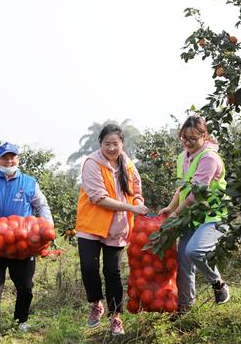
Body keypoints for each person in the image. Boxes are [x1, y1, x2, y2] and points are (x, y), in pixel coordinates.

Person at [0, 142, 54, 342]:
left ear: (18, 159)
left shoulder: (29, 182)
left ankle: (21, 320)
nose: (9, 161)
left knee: (25, 286)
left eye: (12, 157)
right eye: (5, 158)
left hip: (22, 245)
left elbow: (41, 205)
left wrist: (48, 225)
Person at [75, 123, 149, 336]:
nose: (111, 148)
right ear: (100, 144)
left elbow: (136, 189)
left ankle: (116, 317)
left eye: (115, 144)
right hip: (91, 225)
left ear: (122, 144)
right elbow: (98, 198)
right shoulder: (92, 163)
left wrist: (137, 201)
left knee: (112, 272)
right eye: (107, 143)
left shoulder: (128, 165)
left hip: (117, 228)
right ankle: (96, 303)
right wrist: (130, 207)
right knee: (89, 267)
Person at [159, 115, 230, 314]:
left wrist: (176, 214)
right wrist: (170, 208)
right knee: (183, 262)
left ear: (204, 136)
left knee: (194, 252)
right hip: (191, 217)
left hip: (214, 215)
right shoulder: (183, 156)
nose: (188, 142)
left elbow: (195, 194)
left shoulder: (209, 157)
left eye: (193, 139)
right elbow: (181, 189)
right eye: (184, 138)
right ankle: (185, 307)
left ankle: (218, 284)